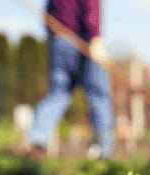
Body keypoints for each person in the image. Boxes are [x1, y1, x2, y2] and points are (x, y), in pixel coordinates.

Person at [23, 0, 114, 159]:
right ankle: (103, 146)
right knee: (98, 93)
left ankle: (37, 135)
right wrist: (95, 37)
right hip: (83, 38)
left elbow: (49, 10)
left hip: (58, 39)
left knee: (59, 92)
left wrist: (53, 34)